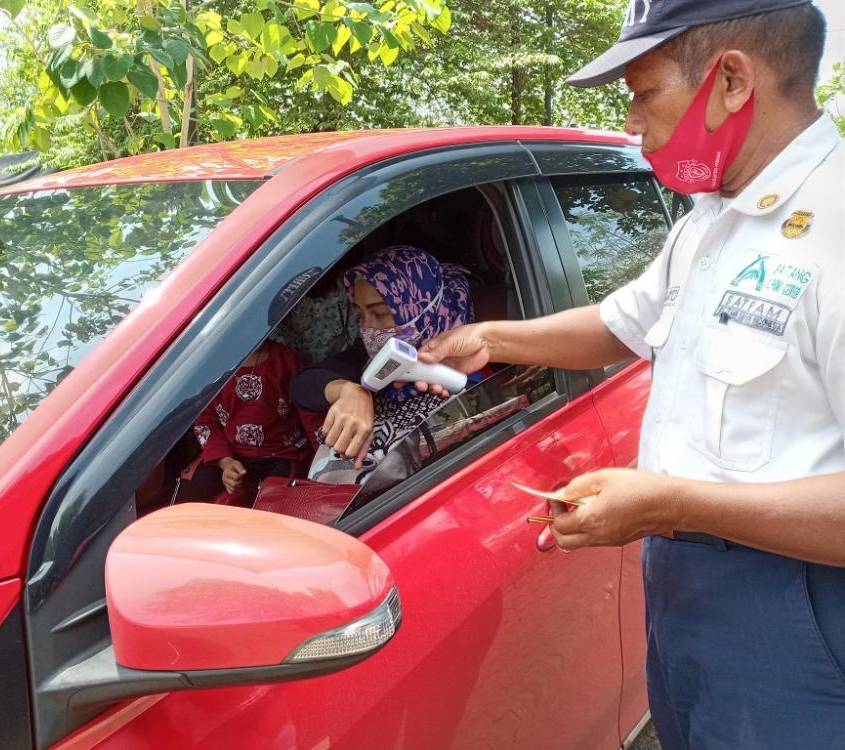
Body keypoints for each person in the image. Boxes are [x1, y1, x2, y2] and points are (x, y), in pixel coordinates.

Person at [417, 2, 845, 748]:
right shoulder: (710, 217)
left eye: (645, 93)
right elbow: (622, 323)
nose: (634, 123)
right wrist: (491, 337)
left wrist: (670, 502)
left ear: (732, 81)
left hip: (794, 605)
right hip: (682, 586)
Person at [289, 245, 475, 484]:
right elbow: (302, 385)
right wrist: (348, 391)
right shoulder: (370, 353)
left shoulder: (469, 376)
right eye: (360, 314)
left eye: (379, 313)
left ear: (418, 308)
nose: (367, 327)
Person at [191, 339, 322, 504]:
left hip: (282, 454)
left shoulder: (286, 359)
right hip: (232, 454)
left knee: (280, 501)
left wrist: (323, 455)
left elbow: (309, 410)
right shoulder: (213, 370)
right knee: (190, 488)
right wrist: (225, 461)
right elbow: (205, 422)